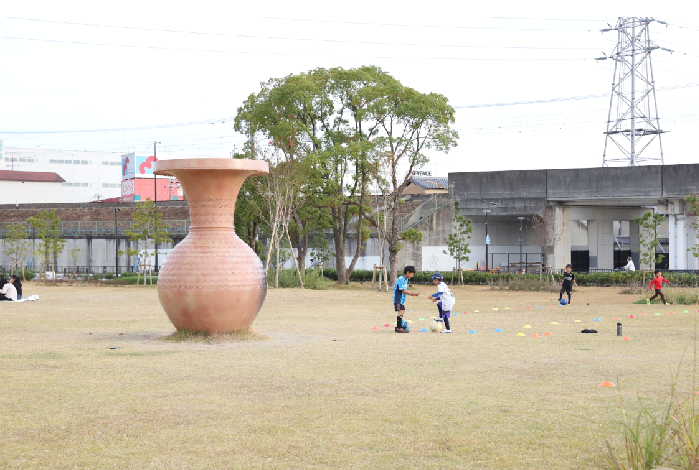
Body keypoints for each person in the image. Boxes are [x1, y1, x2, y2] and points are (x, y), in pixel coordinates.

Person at [393, 266, 419, 333]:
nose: (412, 276)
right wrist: (413, 293)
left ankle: (399, 327)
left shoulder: (405, 279)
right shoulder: (401, 279)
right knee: (401, 311)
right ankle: (399, 328)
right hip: (398, 299)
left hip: (401, 299)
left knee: (403, 311)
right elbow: (404, 291)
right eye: (412, 274)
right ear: (408, 272)